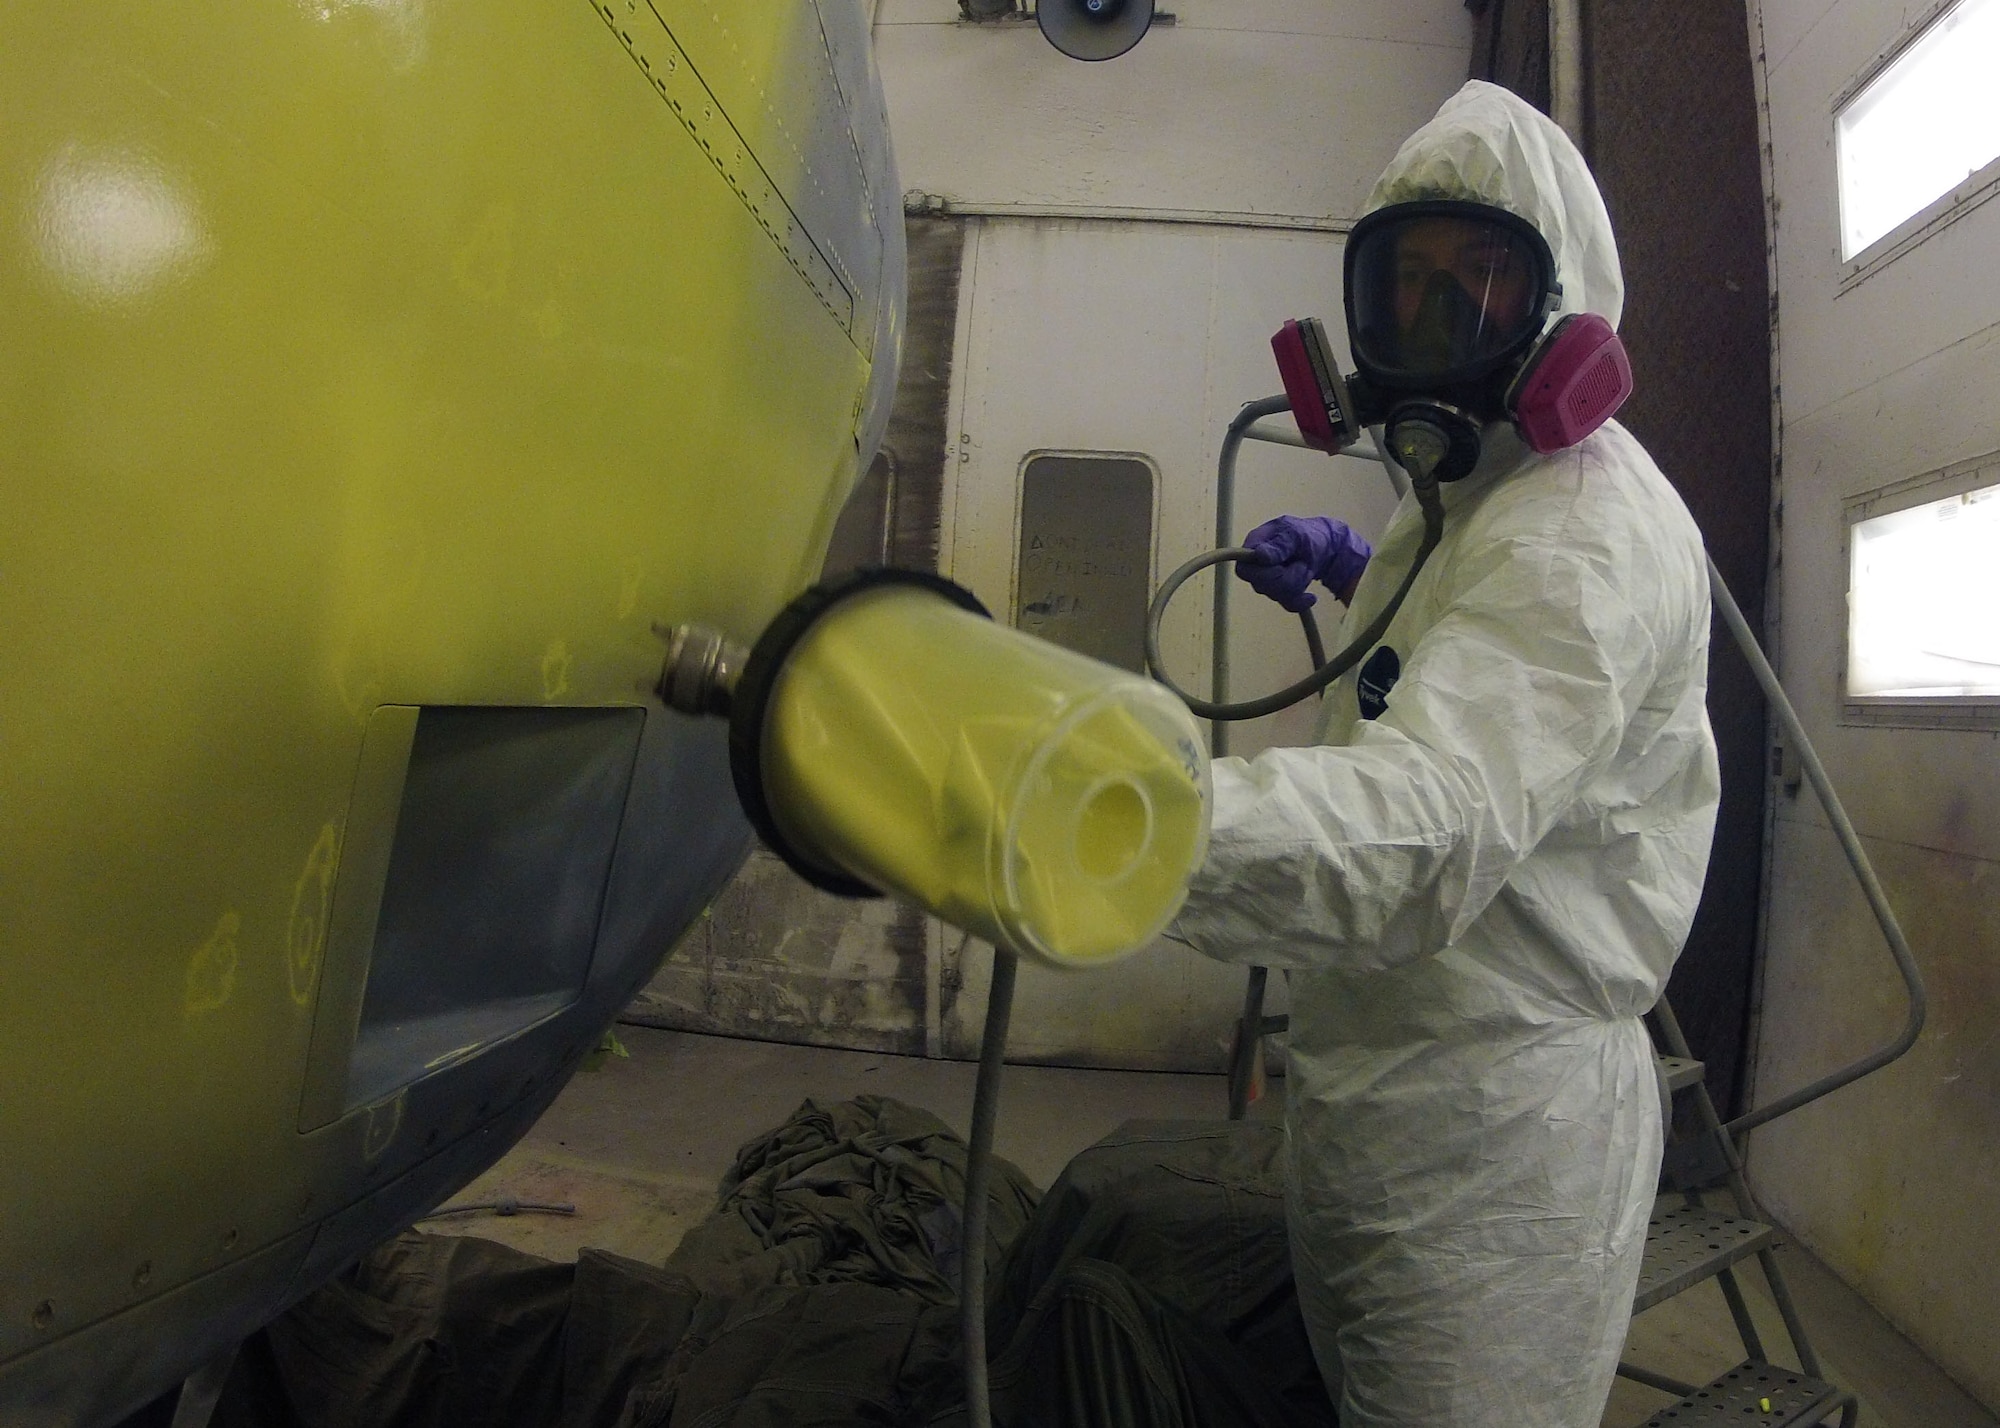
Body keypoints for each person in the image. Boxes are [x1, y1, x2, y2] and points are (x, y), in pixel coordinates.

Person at [1166, 81, 1721, 1426]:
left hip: (1499, 1146)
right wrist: (1357, 565)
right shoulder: (1471, 500)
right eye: (1403, 289)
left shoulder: (1583, 530)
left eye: (1476, 285)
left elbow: (1425, 831)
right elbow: (1480, 649)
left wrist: (1112, 821)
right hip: (1388, 1086)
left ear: (1563, 310)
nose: (1432, 329)